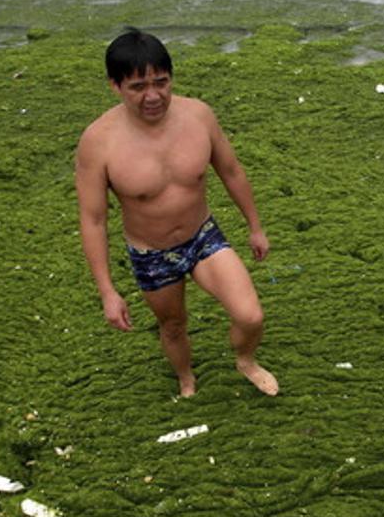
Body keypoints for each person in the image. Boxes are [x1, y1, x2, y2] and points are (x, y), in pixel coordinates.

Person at [76, 28, 278, 398]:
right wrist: (107, 291)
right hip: (151, 254)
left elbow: (231, 171)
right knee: (172, 326)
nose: (153, 96)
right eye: (138, 87)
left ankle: (246, 360)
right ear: (115, 86)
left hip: (203, 237)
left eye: (161, 82)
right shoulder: (98, 142)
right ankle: (186, 377)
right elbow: (93, 220)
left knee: (251, 316)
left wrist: (255, 226)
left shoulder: (198, 116)